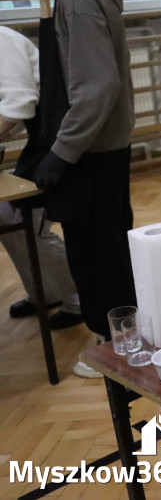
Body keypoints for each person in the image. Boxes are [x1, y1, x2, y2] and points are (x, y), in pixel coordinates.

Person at [8, 0, 138, 378]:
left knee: (98, 252)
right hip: (99, 146)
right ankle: (119, 337)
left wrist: (61, 154)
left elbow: (97, 86)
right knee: (102, 246)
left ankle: (117, 347)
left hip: (92, 149)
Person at [0, 25, 82, 328]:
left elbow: (19, 102)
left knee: (35, 229)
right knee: (7, 220)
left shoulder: (2, 41)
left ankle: (78, 300)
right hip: (40, 136)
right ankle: (43, 293)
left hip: (55, 137)